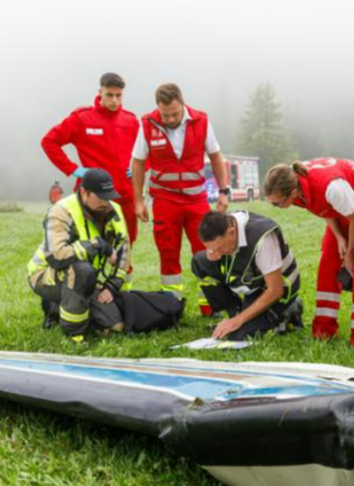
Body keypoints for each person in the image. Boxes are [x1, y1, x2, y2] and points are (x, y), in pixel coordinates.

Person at [262, 158, 354, 347]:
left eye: (278, 204)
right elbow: (323, 208)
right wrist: (338, 237)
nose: (277, 208)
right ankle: (323, 331)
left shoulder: (331, 188)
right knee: (328, 265)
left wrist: (350, 255)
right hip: (345, 207)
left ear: (293, 193)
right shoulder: (298, 185)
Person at [131, 83, 230, 314]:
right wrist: (138, 200)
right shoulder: (147, 124)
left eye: (175, 113)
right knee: (167, 251)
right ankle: (171, 307)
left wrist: (223, 191)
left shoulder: (201, 121)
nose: (170, 119)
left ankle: (210, 305)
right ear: (158, 109)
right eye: (165, 115)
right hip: (165, 201)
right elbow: (137, 162)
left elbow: (215, 157)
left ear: (182, 105)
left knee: (208, 250)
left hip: (196, 201)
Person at [27, 169, 131, 342]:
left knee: (115, 324)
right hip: (45, 276)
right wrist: (97, 245)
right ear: (83, 192)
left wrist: (112, 285)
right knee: (82, 271)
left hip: (85, 277)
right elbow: (57, 256)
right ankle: (73, 332)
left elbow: (124, 253)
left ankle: (61, 307)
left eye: (109, 196)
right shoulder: (60, 211)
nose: (106, 202)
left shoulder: (115, 211)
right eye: (100, 197)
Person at [41, 72, 140, 244]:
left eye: (119, 95)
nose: (114, 100)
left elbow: (147, 151)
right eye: (109, 95)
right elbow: (49, 142)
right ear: (100, 92)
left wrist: (139, 169)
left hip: (125, 195)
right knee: (89, 242)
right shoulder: (81, 118)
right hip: (93, 195)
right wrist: (74, 169)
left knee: (126, 241)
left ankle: (124, 271)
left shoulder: (130, 120)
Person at [191, 212, 303, 341]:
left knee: (239, 335)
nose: (216, 253)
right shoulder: (226, 225)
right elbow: (217, 253)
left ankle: (288, 310)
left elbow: (275, 290)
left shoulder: (263, 238)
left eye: (219, 248)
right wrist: (212, 253)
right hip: (254, 284)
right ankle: (234, 314)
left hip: (277, 290)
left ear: (231, 232)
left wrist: (239, 321)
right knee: (201, 261)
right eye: (212, 249)